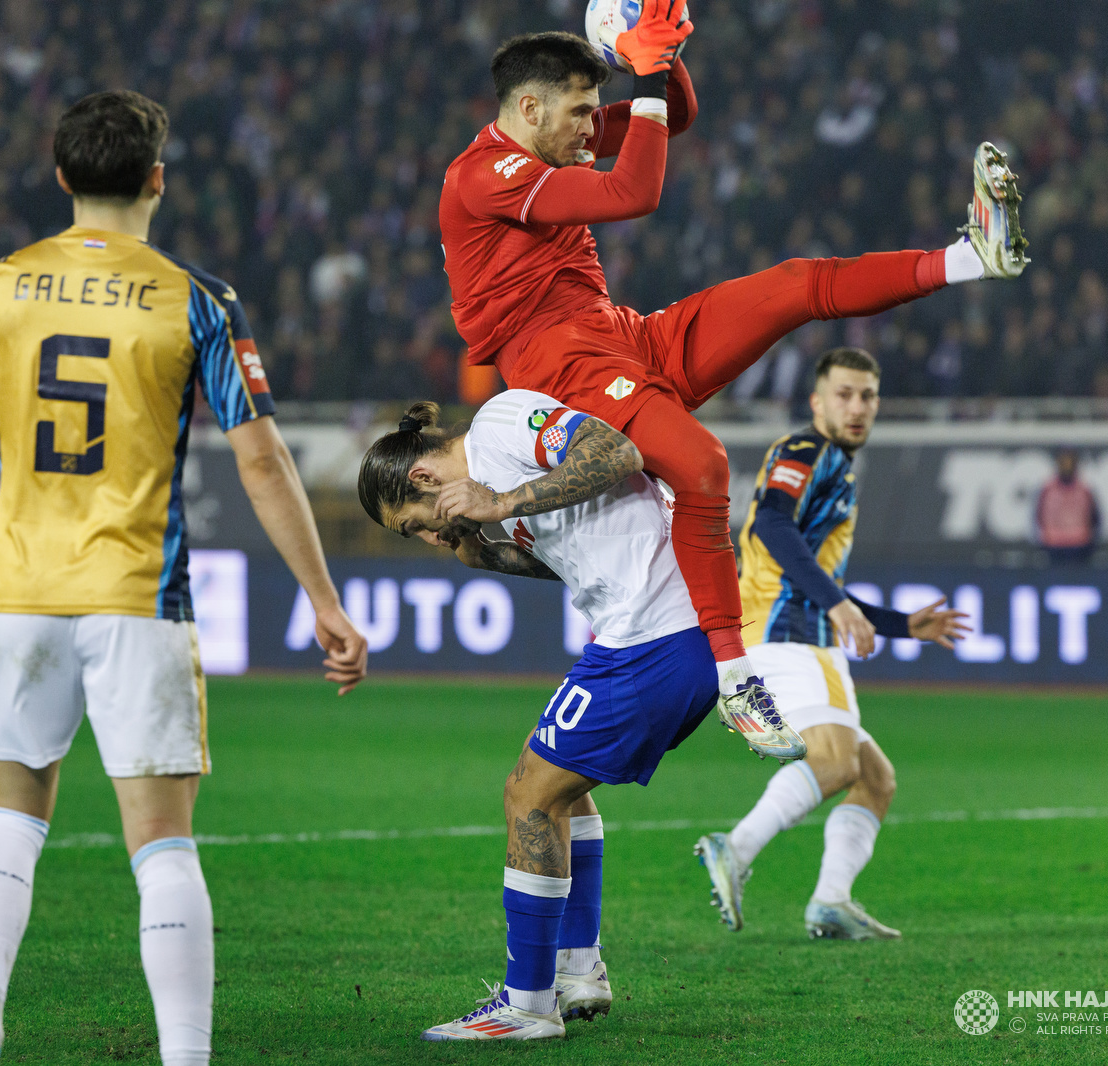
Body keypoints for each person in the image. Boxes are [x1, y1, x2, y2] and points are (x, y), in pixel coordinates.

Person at [0, 90, 368, 1066]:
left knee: (10, 815)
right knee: (161, 842)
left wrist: (1, 523)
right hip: (137, 594)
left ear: (60, 177)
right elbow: (259, 461)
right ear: (157, 178)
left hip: (21, 593)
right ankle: (183, 1056)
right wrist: (324, 601)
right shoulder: (193, 298)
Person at [439, 17, 1027, 735]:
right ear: (529, 110)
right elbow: (633, 194)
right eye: (582, 113)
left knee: (796, 284)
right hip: (558, 366)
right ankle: (736, 677)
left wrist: (658, 55)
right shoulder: (482, 174)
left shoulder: (555, 140)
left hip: (621, 336)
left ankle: (973, 256)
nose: (594, 129)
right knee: (703, 464)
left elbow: (676, 114)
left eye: (599, 110)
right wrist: (646, 73)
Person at [356, 392, 804, 1042]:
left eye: (414, 523)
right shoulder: (495, 484)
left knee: (529, 797)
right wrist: (489, 553)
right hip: (633, 638)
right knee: (560, 793)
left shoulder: (502, 424)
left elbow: (616, 451)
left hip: (657, 637)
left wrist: (503, 503)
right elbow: (571, 555)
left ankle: (527, 1005)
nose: (428, 536)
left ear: (424, 478)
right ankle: (578, 970)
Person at [694, 348, 970, 941]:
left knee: (874, 778)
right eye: (843, 395)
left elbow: (814, 571)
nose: (857, 407)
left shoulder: (836, 466)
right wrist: (839, 606)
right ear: (817, 401)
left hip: (790, 631)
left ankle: (831, 901)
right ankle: (734, 849)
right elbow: (771, 522)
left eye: (868, 396)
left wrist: (901, 625)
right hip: (790, 634)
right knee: (837, 762)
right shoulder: (805, 451)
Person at [1035, 447, 1100, 565]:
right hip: (1053, 545)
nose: (1066, 465)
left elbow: (1095, 518)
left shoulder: (1084, 490)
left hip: (1080, 546)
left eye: (1069, 462)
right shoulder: (1048, 490)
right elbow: (1038, 517)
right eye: (1063, 462)